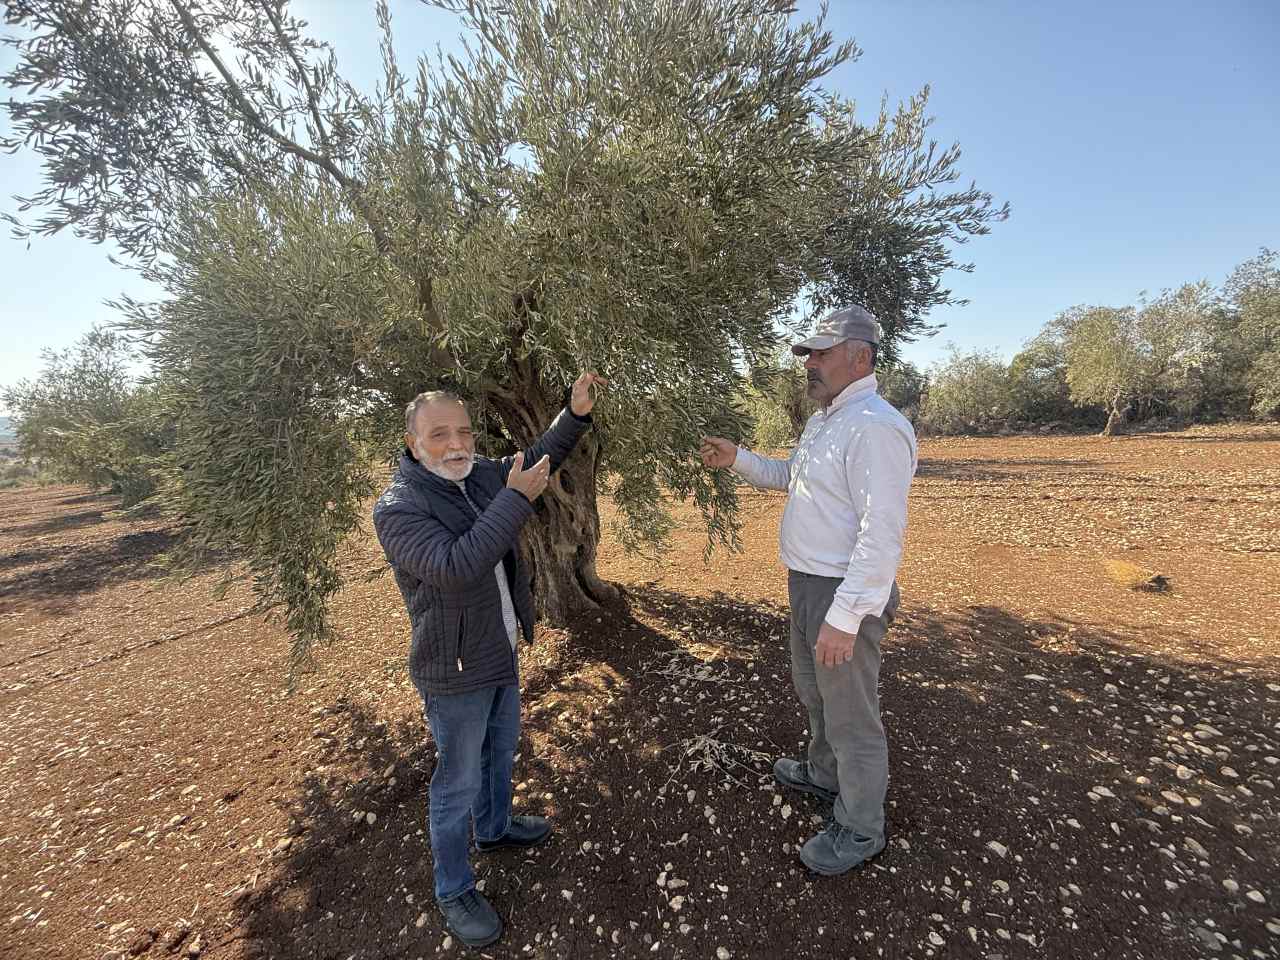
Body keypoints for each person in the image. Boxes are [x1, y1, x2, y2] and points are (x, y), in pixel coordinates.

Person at [372, 372, 606, 947]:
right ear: (411, 443)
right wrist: (517, 498)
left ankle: (496, 828)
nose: (456, 445)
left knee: (501, 750)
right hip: (452, 668)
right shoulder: (398, 509)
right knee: (456, 781)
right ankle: (453, 887)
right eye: (438, 436)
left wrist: (572, 416)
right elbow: (457, 565)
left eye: (465, 432)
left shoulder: (476, 476)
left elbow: (534, 459)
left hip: (497, 649)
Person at [700, 306, 916, 876]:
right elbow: (791, 477)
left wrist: (846, 616)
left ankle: (862, 827)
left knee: (851, 713)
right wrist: (739, 459)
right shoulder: (825, 420)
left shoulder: (875, 427)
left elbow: (882, 533)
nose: (810, 363)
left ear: (860, 357)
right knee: (815, 693)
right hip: (806, 584)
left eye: (821, 353)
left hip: (841, 593)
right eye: (808, 354)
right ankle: (824, 775)